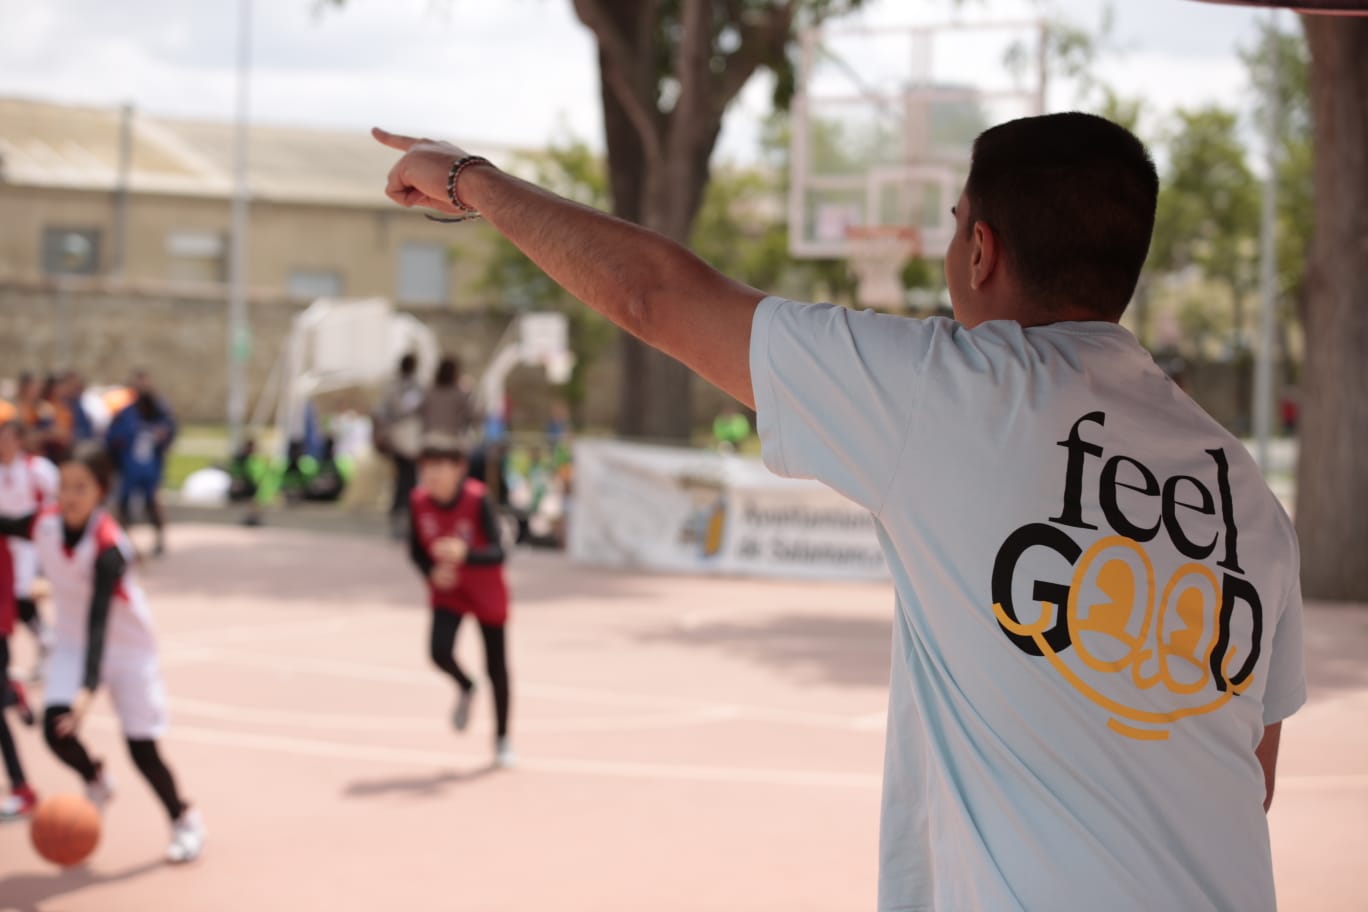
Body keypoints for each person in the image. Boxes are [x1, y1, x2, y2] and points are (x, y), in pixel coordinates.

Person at [375, 112, 1305, 912]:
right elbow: (1246, 775)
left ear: (980, 252)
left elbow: (653, 296)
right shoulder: (1245, 489)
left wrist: (471, 181)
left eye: (953, 230)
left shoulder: (948, 394)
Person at [0, 444, 205, 861]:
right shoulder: (45, 523)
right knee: (55, 730)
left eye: (81, 487)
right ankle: (96, 778)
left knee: (141, 749)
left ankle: (184, 818)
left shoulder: (110, 545)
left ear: (100, 491)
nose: (69, 496)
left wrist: (87, 692)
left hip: (127, 649)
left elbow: (100, 621)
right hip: (74, 644)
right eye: (64, 487)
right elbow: (6, 522)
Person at [408, 432, 514, 768]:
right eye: (427, 467)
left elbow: (499, 552)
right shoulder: (418, 502)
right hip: (450, 590)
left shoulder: (478, 499)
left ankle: (502, 739)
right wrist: (430, 573)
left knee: (496, 667)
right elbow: (414, 550)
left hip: (485, 590)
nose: (433, 474)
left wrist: (465, 553)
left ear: (460, 469)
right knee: (439, 651)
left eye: (441, 466)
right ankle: (466, 686)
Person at [0, 420, 58, 674]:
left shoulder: (38, 469)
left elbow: (56, 501)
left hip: (28, 544)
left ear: (19, 440)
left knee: (21, 596)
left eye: (8, 438)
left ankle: (47, 642)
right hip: (3, 545)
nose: (3, 443)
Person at [106, 391, 177, 556]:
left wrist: (163, 437)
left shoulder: (158, 414)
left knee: (152, 503)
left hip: (148, 470)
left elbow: (169, 434)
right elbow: (113, 438)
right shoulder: (127, 416)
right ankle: (122, 540)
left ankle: (159, 539)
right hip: (130, 469)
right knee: (123, 506)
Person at [375, 354, 425, 538]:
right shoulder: (417, 387)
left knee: (401, 478)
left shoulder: (393, 387)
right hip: (409, 439)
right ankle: (405, 516)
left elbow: (381, 412)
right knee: (409, 479)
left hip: (397, 439)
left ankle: (399, 515)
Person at [419, 355, 477, 446]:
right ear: (455, 374)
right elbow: (471, 415)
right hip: (451, 441)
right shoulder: (459, 395)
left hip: (429, 440)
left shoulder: (429, 392)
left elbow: (419, 411)